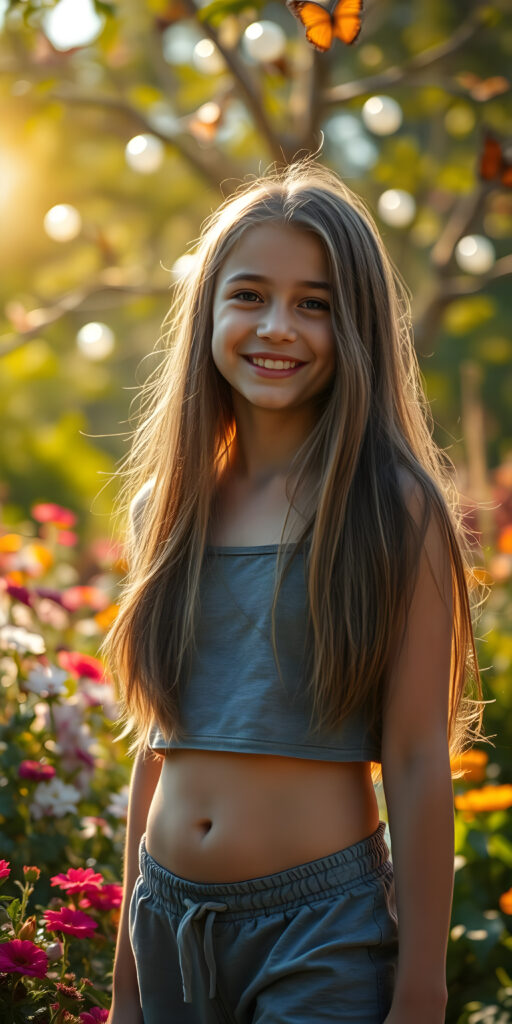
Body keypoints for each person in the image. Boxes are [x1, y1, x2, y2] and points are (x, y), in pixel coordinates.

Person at [102, 156, 492, 1024]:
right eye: (249, 295)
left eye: (314, 304)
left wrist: (421, 989)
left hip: (318, 935)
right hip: (165, 923)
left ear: (356, 326)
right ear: (208, 310)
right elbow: (154, 746)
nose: (277, 326)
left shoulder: (395, 510)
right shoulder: (164, 509)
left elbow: (423, 760)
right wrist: (125, 981)